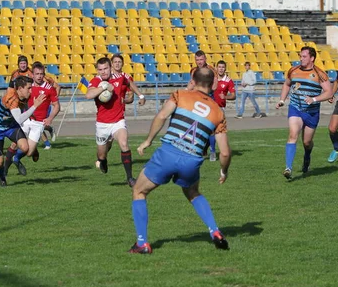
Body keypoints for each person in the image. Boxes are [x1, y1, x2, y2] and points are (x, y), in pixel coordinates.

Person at [129, 67, 231, 254]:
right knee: (193, 193)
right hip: (192, 160)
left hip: (168, 153)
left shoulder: (179, 95)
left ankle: (142, 243)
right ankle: (215, 231)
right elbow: (224, 152)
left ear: (193, 79)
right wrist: (224, 171)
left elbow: (161, 116)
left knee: (139, 191)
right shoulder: (218, 112)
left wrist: (148, 141)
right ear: (213, 83)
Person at [276, 46, 333, 180]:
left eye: (304, 56)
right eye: (300, 56)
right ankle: (288, 168)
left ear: (312, 58)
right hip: (295, 108)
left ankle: (307, 156)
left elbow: (329, 92)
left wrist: (314, 99)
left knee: (307, 142)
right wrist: (282, 100)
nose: (301, 58)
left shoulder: (319, 74)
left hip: (312, 112)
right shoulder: (293, 70)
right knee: (292, 135)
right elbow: (287, 84)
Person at [85, 57, 136, 187]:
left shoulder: (119, 77)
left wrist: (139, 95)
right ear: (97, 70)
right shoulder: (96, 81)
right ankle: (103, 160)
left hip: (118, 121)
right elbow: (89, 95)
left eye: (106, 68)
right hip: (102, 124)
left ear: (110, 67)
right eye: (100, 69)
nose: (103, 72)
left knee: (124, 144)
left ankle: (130, 178)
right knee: (101, 154)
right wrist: (104, 87)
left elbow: (129, 83)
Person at [0, 76, 45, 187]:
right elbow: (19, 119)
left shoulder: (24, 96)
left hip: (11, 126)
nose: (31, 91)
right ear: (19, 88)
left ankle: (16, 158)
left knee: (25, 148)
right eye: (28, 88)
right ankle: (2, 177)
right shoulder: (11, 98)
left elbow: (22, 111)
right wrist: (35, 106)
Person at [4, 62, 60, 175]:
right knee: (15, 144)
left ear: (44, 74)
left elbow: (57, 106)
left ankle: (19, 158)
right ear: (32, 75)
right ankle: (4, 170)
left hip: (39, 123)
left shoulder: (49, 89)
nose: (39, 76)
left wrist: (50, 118)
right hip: (26, 120)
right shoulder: (28, 87)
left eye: (41, 74)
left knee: (28, 152)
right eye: (37, 74)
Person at [10, 55, 60, 144]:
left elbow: (56, 86)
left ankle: (46, 144)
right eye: (21, 63)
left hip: (43, 105)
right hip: (27, 107)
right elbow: (11, 88)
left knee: (39, 124)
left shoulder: (35, 74)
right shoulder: (15, 74)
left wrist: (54, 99)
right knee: (19, 137)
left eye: (24, 63)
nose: (23, 65)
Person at [208, 60, 236, 161]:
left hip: (220, 109)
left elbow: (233, 95)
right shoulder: (211, 79)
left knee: (219, 131)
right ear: (216, 68)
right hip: (209, 108)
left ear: (225, 68)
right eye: (219, 67)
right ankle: (212, 151)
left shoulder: (228, 81)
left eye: (223, 67)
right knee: (210, 131)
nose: (221, 69)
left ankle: (219, 151)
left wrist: (225, 96)